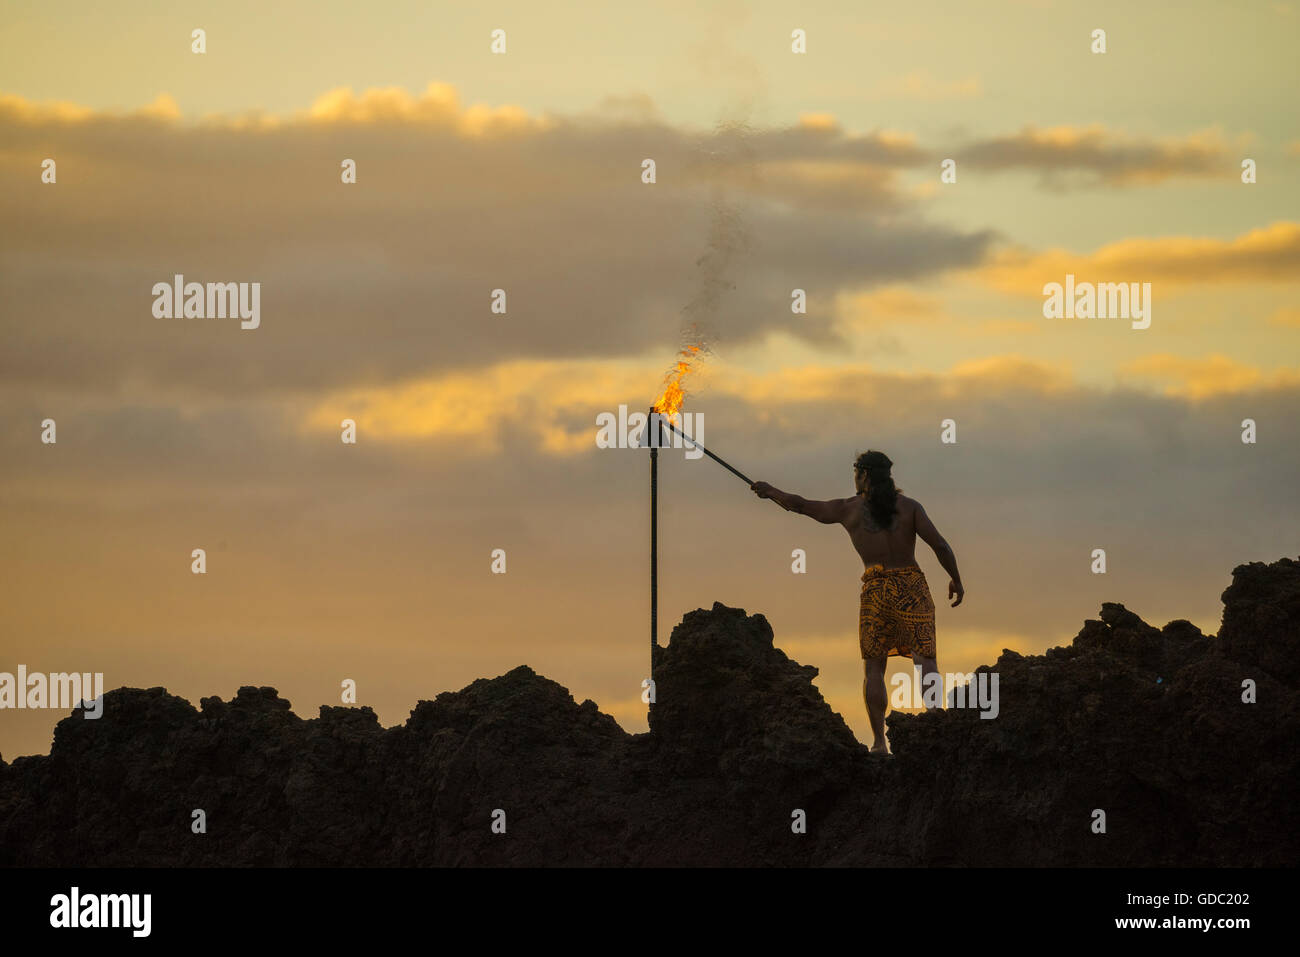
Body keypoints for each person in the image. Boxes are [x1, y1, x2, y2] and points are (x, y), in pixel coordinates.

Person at [750, 450, 963, 754]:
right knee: (925, 658)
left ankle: (879, 742)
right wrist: (956, 578)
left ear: (863, 475)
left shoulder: (848, 510)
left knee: (874, 667)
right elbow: (940, 545)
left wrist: (771, 492)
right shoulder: (910, 508)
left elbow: (801, 506)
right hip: (911, 585)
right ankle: (935, 723)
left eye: (855, 472)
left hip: (875, 588)